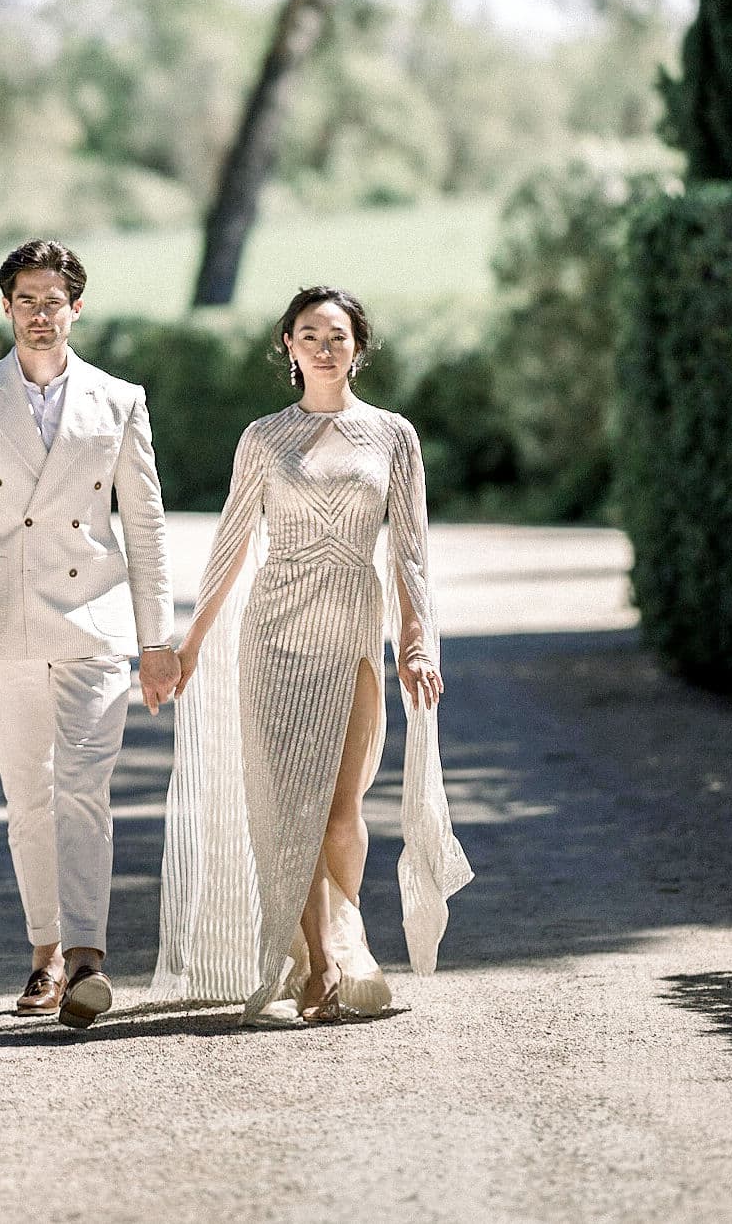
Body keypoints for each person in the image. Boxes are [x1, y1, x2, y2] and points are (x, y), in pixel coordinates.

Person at [151, 285, 471, 1023]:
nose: (323, 346)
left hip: (351, 629)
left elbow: (411, 552)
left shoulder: (393, 435)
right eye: (308, 334)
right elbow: (230, 546)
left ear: (358, 345)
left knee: (336, 809)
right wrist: (189, 642)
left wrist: (416, 642)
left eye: (336, 334)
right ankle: (319, 966)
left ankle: (345, 932)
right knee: (279, 810)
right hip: (273, 634)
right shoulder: (263, 437)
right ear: (287, 347)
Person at [0, 238, 179, 1029]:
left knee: (84, 790)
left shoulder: (118, 399)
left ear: (76, 307)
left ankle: (87, 958)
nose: (40, 313)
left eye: (53, 300)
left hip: (94, 622)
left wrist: (157, 638)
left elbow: (146, 526)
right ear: (6, 307)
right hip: (5, 622)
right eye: (26, 299)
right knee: (28, 794)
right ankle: (43, 951)